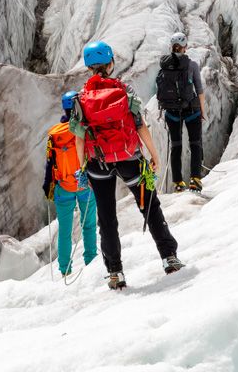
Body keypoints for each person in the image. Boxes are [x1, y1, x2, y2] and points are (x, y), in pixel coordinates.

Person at [71, 40, 184, 290]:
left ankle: (115, 273)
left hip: (97, 164)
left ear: (89, 68)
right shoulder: (124, 90)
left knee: (107, 217)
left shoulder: (81, 98)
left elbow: (79, 137)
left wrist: (82, 168)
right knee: (150, 207)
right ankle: (169, 258)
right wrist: (153, 154)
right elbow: (140, 125)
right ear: (110, 64)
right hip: (129, 158)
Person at [41, 90, 98, 276]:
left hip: (63, 187)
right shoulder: (84, 128)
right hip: (85, 186)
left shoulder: (55, 135)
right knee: (88, 225)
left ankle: (65, 269)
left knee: (64, 231)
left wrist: (48, 187)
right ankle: (91, 261)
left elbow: (50, 164)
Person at [154, 31, 206, 192]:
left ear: (171, 47)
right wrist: (202, 111)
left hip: (172, 112)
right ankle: (195, 179)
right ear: (185, 47)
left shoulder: (164, 64)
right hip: (192, 110)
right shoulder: (192, 65)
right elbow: (199, 90)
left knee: (176, 146)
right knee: (195, 143)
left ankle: (177, 182)